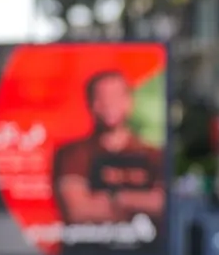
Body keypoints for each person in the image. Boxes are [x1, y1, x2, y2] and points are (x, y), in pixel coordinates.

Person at [53, 70, 164, 226]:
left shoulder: (153, 156)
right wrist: (139, 203)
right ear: (90, 103)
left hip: (146, 241)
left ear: (129, 102)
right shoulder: (72, 154)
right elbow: (78, 212)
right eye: (100, 98)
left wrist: (118, 199)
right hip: (89, 241)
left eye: (115, 96)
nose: (108, 104)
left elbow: (162, 205)